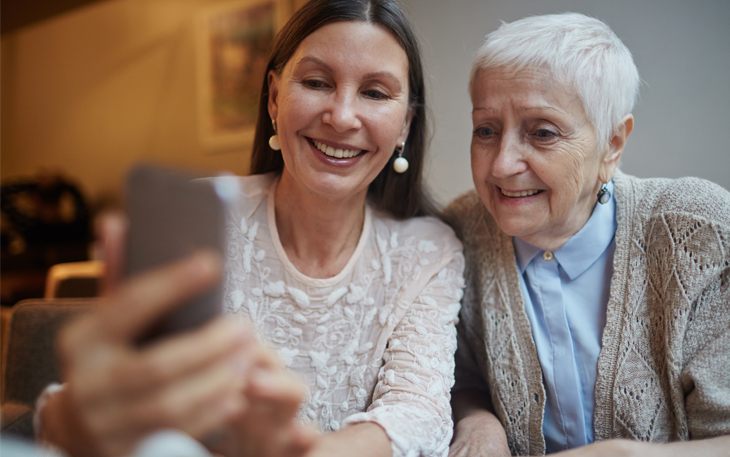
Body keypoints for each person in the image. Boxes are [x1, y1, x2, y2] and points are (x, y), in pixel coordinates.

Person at [36, 0, 465, 456]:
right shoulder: (202, 221)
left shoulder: (426, 252)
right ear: (275, 98)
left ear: (405, 124)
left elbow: (418, 414)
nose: (341, 116)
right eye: (317, 82)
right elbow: (114, 396)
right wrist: (69, 419)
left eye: (375, 93)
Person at [445, 12, 730, 457]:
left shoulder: (699, 231)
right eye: (486, 130)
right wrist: (478, 422)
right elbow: (461, 376)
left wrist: (628, 455)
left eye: (542, 132)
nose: (501, 165)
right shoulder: (459, 231)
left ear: (613, 143)